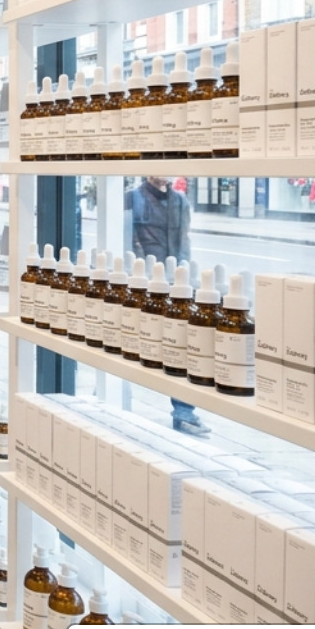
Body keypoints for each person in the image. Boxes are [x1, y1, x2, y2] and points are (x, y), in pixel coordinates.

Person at [124, 176, 207, 436]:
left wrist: (183, 274)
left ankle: (184, 411)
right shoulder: (132, 198)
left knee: (179, 345)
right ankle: (108, 396)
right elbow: (127, 240)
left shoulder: (180, 201)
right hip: (144, 283)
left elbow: (184, 241)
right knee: (129, 340)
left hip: (174, 284)